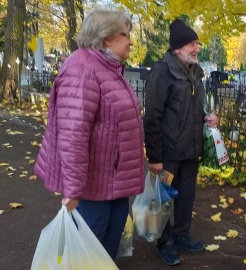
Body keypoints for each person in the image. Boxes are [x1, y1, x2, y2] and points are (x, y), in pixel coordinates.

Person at [34, 8, 145, 260]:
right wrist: (73, 189)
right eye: (125, 35)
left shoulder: (109, 69)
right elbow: (73, 134)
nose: (130, 41)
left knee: (104, 251)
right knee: (86, 254)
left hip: (113, 185)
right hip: (93, 187)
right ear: (107, 38)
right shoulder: (82, 68)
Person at [143, 19, 217, 266]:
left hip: (190, 150)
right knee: (163, 200)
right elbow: (152, 117)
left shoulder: (196, 73)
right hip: (168, 154)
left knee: (187, 197)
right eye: (192, 44)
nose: (197, 48)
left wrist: (208, 118)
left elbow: (194, 109)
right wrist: (155, 158)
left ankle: (182, 235)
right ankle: (164, 243)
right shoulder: (161, 73)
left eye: (197, 43)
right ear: (177, 48)